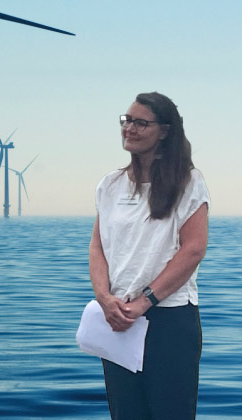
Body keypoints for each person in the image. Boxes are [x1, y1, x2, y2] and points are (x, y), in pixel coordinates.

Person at [89, 92, 209, 419]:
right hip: (117, 319)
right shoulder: (109, 185)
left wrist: (144, 301)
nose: (130, 128)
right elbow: (98, 246)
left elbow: (194, 248)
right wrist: (103, 297)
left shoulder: (188, 182)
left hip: (167, 319)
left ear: (165, 131)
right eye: (127, 121)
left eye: (141, 123)